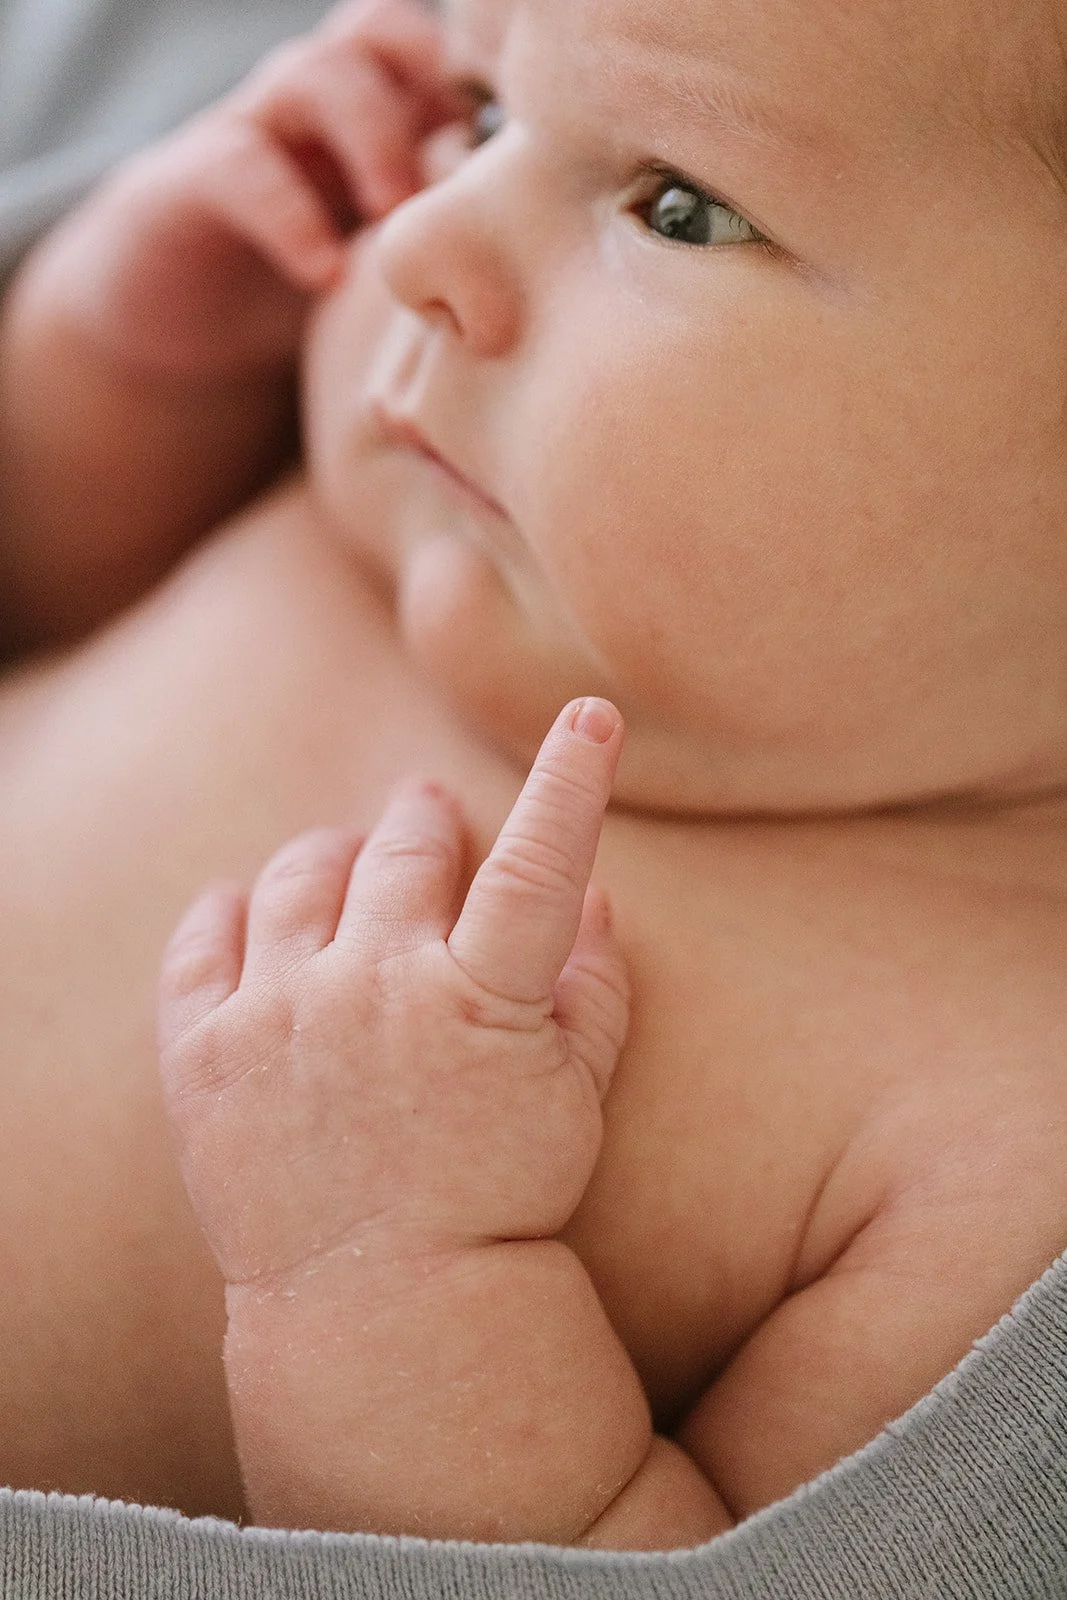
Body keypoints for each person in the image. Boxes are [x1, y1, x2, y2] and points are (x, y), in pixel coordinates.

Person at [1, 0, 1067, 1569]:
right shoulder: (434, 491)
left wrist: (381, 1271)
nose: (420, 239)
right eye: (482, 111)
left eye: (678, 208)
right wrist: (120, 349)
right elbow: (41, 590)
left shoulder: (995, 1110)